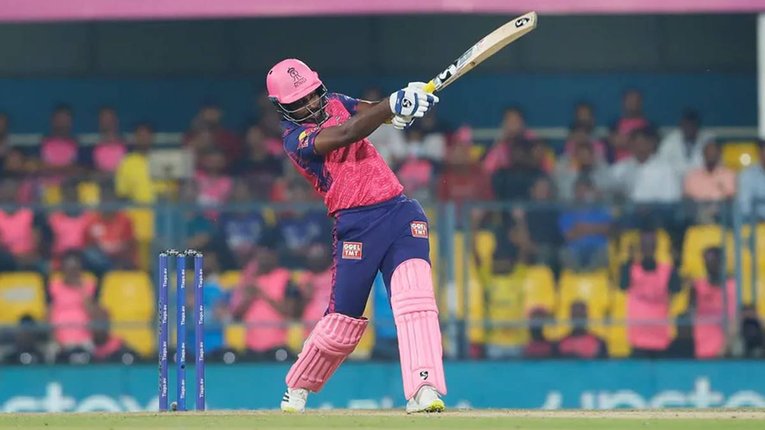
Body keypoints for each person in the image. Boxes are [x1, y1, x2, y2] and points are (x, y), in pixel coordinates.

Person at [266, 59, 445, 413]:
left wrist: (403, 106)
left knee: (417, 301)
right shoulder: (294, 140)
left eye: (312, 94)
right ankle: (299, 385)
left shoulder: (335, 101)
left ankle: (423, 388)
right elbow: (348, 133)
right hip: (356, 225)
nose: (311, 104)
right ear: (282, 108)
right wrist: (391, 105)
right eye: (299, 102)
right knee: (343, 322)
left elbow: (371, 112)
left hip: (400, 211)